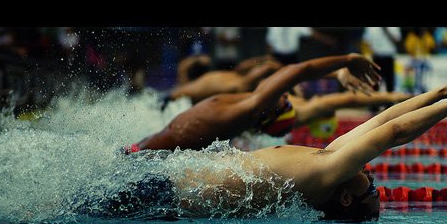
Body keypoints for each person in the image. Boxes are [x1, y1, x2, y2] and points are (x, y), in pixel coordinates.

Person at [94, 83, 447, 223]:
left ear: (346, 199)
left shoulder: (325, 175)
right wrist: (440, 95)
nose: (375, 178)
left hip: (161, 195)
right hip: (166, 184)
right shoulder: (324, 163)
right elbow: (385, 122)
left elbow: (393, 134)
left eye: (373, 190)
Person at [127, 53, 384, 152]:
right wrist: (339, 69)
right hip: (146, 150)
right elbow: (286, 70)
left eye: (282, 102)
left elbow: (299, 70)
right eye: (285, 99)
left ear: (267, 113)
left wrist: (348, 60)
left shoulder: (248, 109)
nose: (284, 95)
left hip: (141, 156)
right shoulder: (247, 103)